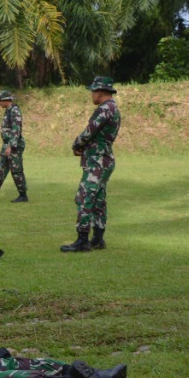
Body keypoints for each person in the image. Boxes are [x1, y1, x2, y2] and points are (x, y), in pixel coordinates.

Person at [64, 76, 122, 253]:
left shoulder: (104, 109)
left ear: (100, 92)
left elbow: (89, 132)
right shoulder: (113, 108)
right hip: (103, 159)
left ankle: (82, 240)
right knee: (98, 200)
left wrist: (77, 145)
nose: (91, 95)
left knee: (84, 197)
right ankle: (97, 239)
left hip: (97, 160)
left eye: (93, 91)